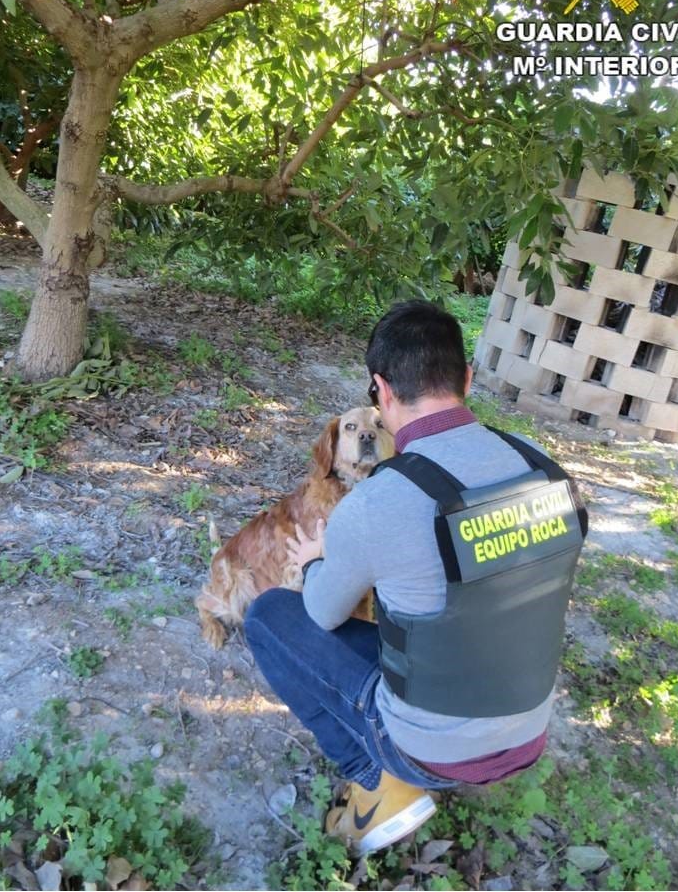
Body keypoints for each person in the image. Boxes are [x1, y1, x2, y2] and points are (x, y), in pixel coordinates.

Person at [244, 300, 582, 854]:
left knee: (268, 616)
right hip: (528, 733)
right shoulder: (546, 466)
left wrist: (315, 561)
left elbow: (323, 614)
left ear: (382, 389)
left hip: (429, 752)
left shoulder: (379, 501)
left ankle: (377, 777)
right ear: (467, 379)